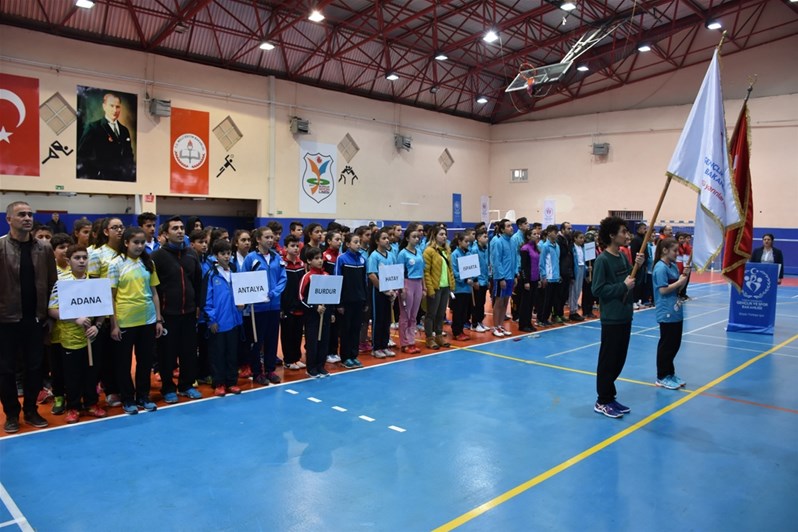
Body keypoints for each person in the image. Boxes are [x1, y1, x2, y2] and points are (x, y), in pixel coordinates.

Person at [0, 201, 57, 433]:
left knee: (35, 368)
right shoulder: (1, 247)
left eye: (30, 214)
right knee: (5, 370)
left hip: (36, 320)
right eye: (21, 214)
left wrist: (50, 316)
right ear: (9, 219)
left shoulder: (44, 248)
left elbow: (53, 284)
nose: (27, 218)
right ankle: (11, 414)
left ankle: (31, 410)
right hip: (5, 320)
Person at [47, 245, 107, 423]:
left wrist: (97, 326)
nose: (81, 261)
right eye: (77, 258)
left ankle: (91, 403)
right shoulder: (62, 284)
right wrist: (75, 319)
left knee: (92, 373)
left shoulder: (95, 283)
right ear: (68, 260)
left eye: (84, 257)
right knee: (72, 375)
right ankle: (73, 407)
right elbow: (52, 310)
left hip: (91, 336)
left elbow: (103, 308)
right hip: (70, 338)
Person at [591, 216, 644, 419]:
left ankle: (610, 397)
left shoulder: (622, 256)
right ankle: (602, 400)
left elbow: (630, 280)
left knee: (619, 359)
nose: (627, 235)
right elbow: (597, 289)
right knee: (608, 360)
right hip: (612, 317)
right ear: (612, 235)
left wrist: (638, 266)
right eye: (623, 231)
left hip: (625, 315)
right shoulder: (603, 260)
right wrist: (622, 286)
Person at [108, 226, 164, 415]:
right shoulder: (115, 264)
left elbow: (154, 293)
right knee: (123, 364)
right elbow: (111, 297)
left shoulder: (148, 263)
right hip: (125, 321)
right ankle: (128, 398)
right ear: (126, 243)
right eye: (135, 242)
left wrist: (158, 319)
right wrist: (114, 325)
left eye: (142, 242)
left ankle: (143, 396)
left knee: (145, 362)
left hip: (147, 320)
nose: (140, 246)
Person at [151, 216, 203, 403]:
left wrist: (198, 306)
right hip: (168, 315)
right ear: (165, 234)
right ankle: (168, 388)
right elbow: (153, 288)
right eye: (175, 228)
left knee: (189, 352)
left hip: (188, 313)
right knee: (167, 354)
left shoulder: (192, 254)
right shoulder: (157, 257)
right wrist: (158, 315)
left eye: (181, 228)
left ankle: (186, 385)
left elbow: (197, 282)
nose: (180, 231)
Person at [243, 226, 287, 385]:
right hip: (257, 308)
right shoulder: (251, 258)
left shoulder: (277, 257)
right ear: (258, 239)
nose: (270, 240)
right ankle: (257, 372)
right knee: (257, 341)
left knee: (272, 339)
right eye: (267, 237)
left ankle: (270, 370)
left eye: (272, 237)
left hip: (274, 306)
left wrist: (274, 293)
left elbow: (283, 278)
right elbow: (244, 279)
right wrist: (251, 298)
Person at [203, 240, 243, 397]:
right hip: (218, 323)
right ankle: (219, 383)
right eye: (223, 254)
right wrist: (211, 320)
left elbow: (242, 293)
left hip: (234, 322)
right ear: (215, 256)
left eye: (229, 253)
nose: (226, 257)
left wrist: (243, 305)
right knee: (218, 354)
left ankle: (232, 382)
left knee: (232, 354)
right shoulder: (211, 275)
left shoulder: (235, 272)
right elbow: (206, 299)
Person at [652, 238, 690, 390]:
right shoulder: (660, 268)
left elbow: (678, 289)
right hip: (666, 310)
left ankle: (670, 373)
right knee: (666, 345)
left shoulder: (673, 266)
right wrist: (679, 282)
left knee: (675, 344)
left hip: (676, 310)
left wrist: (684, 278)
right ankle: (662, 376)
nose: (677, 253)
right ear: (665, 250)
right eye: (674, 250)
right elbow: (663, 290)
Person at [77, 93, 135, 182]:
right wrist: (96, 173)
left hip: (121, 179)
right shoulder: (93, 127)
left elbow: (129, 155)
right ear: (104, 107)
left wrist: (128, 173)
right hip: (101, 179)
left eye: (117, 107)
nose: (115, 110)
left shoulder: (124, 130)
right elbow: (82, 155)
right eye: (111, 106)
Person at [335, 232, 367, 368]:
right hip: (346, 302)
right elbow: (337, 280)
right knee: (346, 330)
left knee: (355, 329)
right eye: (355, 242)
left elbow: (364, 281)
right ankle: (345, 357)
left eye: (359, 242)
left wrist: (365, 300)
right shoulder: (341, 259)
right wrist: (339, 303)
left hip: (359, 301)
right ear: (348, 244)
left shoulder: (362, 259)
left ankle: (354, 356)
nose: (358, 244)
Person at [299, 247, 332, 378]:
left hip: (325, 315)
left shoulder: (327, 276)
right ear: (309, 261)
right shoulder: (307, 277)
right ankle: (311, 367)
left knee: (324, 341)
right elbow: (301, 297)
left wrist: (331, 312)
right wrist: (314, 307)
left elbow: (331, 295)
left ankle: (320, 365)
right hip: (312, 317)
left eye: (321, 258)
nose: (320, 261)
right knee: (312, 342)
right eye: (316, 258)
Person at [367, 228, 398, 358]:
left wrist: (394, 290)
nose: (387, 240)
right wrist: (384, 289)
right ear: (377, 241)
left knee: (386, 320)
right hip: (378, 292)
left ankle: (384, 345)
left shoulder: (391, 255)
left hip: (390, 292)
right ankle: (376, 347)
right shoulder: (374, 256)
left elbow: (395, 273)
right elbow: (372, 275)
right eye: (384, 238)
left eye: (387, 238)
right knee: (378, 319)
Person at [423, 225, 455, 349]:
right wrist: (430, 288)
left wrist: (451, 284)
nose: (444, 237)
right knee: (431, 314)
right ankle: (429, 338)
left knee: (441, 314)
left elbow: (449, 269)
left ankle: (439, 335)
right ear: (434, 236)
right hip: (435, 287)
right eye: (441, 234)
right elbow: (426, 272)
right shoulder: (429, 251)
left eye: (445, 234)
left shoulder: (446, 250)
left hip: (445, 286)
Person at [280, 235, 306, 370]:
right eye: (292, 246)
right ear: (285, 248)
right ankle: (288, 360)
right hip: (287, 306)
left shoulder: (301, 264)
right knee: (287, 334)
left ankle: (296, 358)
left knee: (297, 333)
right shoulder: (282, 265)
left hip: (299, 305)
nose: (296, 248)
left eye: (297, 246)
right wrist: (282, 307)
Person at [489, 220, 515, 337]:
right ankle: (495, 327)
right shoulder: (497, 241)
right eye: (508, 226)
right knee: (499, 301)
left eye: (511, 226)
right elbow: (496, 261)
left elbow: (514, 259)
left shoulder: (511, 241)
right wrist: (500, 278)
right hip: (501, 277)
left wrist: (515, 274)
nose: (511, 228)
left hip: (510, 276)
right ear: (502, 229)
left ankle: (500, 325)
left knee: (505, 301)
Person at [450, 233, 475, 341]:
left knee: (464, 312)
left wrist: (473, 278)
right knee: (458, 311)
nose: (468, 243)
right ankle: (456, 332)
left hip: (467, 288)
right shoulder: (454, 254)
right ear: (459, 242)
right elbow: (454, 271)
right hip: (459, 288)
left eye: (469, 241)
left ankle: (461, 330)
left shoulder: (469, 253)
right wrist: (465, 279)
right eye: (466, 241)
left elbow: (472, 268)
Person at [518, 227, 541, 332]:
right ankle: (523, 324)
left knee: (531, 303)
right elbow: (523, 266)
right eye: (534, 234)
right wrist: (525, 281)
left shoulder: (536, 248)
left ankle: (528, 323)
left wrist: (538, 279)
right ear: (528, 236)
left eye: (537, 234)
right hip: (528, 280)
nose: (537, 235)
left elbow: (537, 265)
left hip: (535, 279)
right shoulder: (525, 249)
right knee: (525, 303)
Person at [469, 228, 490, 333]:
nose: (487, 238)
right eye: (484, 237)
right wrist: (475, 280)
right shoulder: (474, 250)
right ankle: (474, 324)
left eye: (487, 236)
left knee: (482, 303)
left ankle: (480, 322)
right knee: (476, 303)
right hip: (478, 281)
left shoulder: (485, 249)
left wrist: (488, 279)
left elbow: (486, 265)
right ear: (478, 238)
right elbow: (473, 266)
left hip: (484, 280)